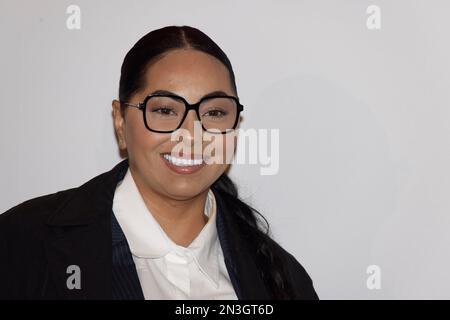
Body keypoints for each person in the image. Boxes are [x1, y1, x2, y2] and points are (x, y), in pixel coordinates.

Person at [0, 25, 318, 300]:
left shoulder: (282, 279)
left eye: (215, 113)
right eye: (165, 111)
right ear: (120, 122)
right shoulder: (23, 244)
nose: (191, 136)